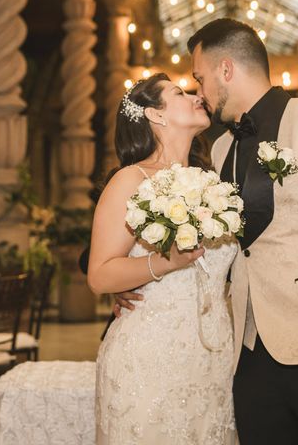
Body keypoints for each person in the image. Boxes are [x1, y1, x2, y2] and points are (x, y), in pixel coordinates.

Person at [117, 18, 298, 445]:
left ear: (226, 70)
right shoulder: (222, 147)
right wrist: (136, 275)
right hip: (249, 355)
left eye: (200, 78)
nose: (200, 91)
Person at [88, 73, 237, 444]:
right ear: (155, 115)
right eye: (180, 93)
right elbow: (100, 275)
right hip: (150, 358)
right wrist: (162, 264)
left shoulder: (212, 181)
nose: (196, 97)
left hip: (214, 359)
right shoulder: (130, 180)